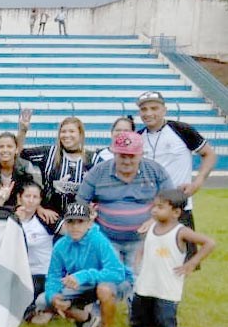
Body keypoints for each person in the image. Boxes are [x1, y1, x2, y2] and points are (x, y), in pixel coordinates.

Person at [129, 190, 217, 327]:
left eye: (160, 207)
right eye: (154, 206)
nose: (154, 210)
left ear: (176, 212)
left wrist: (191, 263)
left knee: (167, 325)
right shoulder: (152, 227)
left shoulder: (181, 232)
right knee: (148, 323)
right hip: (146, 286)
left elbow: (209, 243)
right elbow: (147, 246)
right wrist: (138, 258)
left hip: (166, 290)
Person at [76, 131, 174, 271]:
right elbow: (81, 202)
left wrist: (154, 220)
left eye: (132, 156)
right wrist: (88, 215)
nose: (127, 161)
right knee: (111, 280)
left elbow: (171, 202)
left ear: (141, 154)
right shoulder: (98, 172)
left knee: (138, 282)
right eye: (122, 156)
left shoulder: (155, 171)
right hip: (106, 240)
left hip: (143, 241)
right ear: (114, 154)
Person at [136, 91, 218, 251]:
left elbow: (209, 154)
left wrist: (198, 182)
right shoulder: (138, 137)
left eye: (154, 108)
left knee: (180, 263)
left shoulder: (181, 130)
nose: (148, 113)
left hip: (178, 209)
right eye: (144, 109)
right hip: (148, 209)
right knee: (148, 261)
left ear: (164, 110)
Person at [45, 202, 127, 327]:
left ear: (89, 223)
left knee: (104, 290)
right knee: (44, 301)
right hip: (84, 285)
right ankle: (87, 319)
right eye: (71, 222)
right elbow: (53, 276)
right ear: (65, 223)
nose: (75, 227)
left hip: (112, 282)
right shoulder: (61, 245)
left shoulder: (99, 240)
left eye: (80, 222)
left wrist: (84, 275)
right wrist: (53, 296)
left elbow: (117, 273)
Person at [18, 113, 95, 224]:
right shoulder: (49, 153)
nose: (66, 135)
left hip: (80, 222)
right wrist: (23, 130)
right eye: (63, 132)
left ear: (80, 134)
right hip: (50, 219)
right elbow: (19, 152)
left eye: (71, 131)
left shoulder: (93, 160)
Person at [14, 182, 56, 323]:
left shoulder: (46, 219)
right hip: (17, 272)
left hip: (41, 273)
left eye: (35, 197)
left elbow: (72, 231)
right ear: (19, 198)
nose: (31, 200)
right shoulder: (11, 217)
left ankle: (43, 308)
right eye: (27, 196)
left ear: (40, 201)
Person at [0, 133, 42, 209]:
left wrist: (40, 208)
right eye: (1, 147)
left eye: (9, 146)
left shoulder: (26, 167)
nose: (5, 150)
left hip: (20, 211)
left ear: (16, 149)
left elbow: (37, 192)